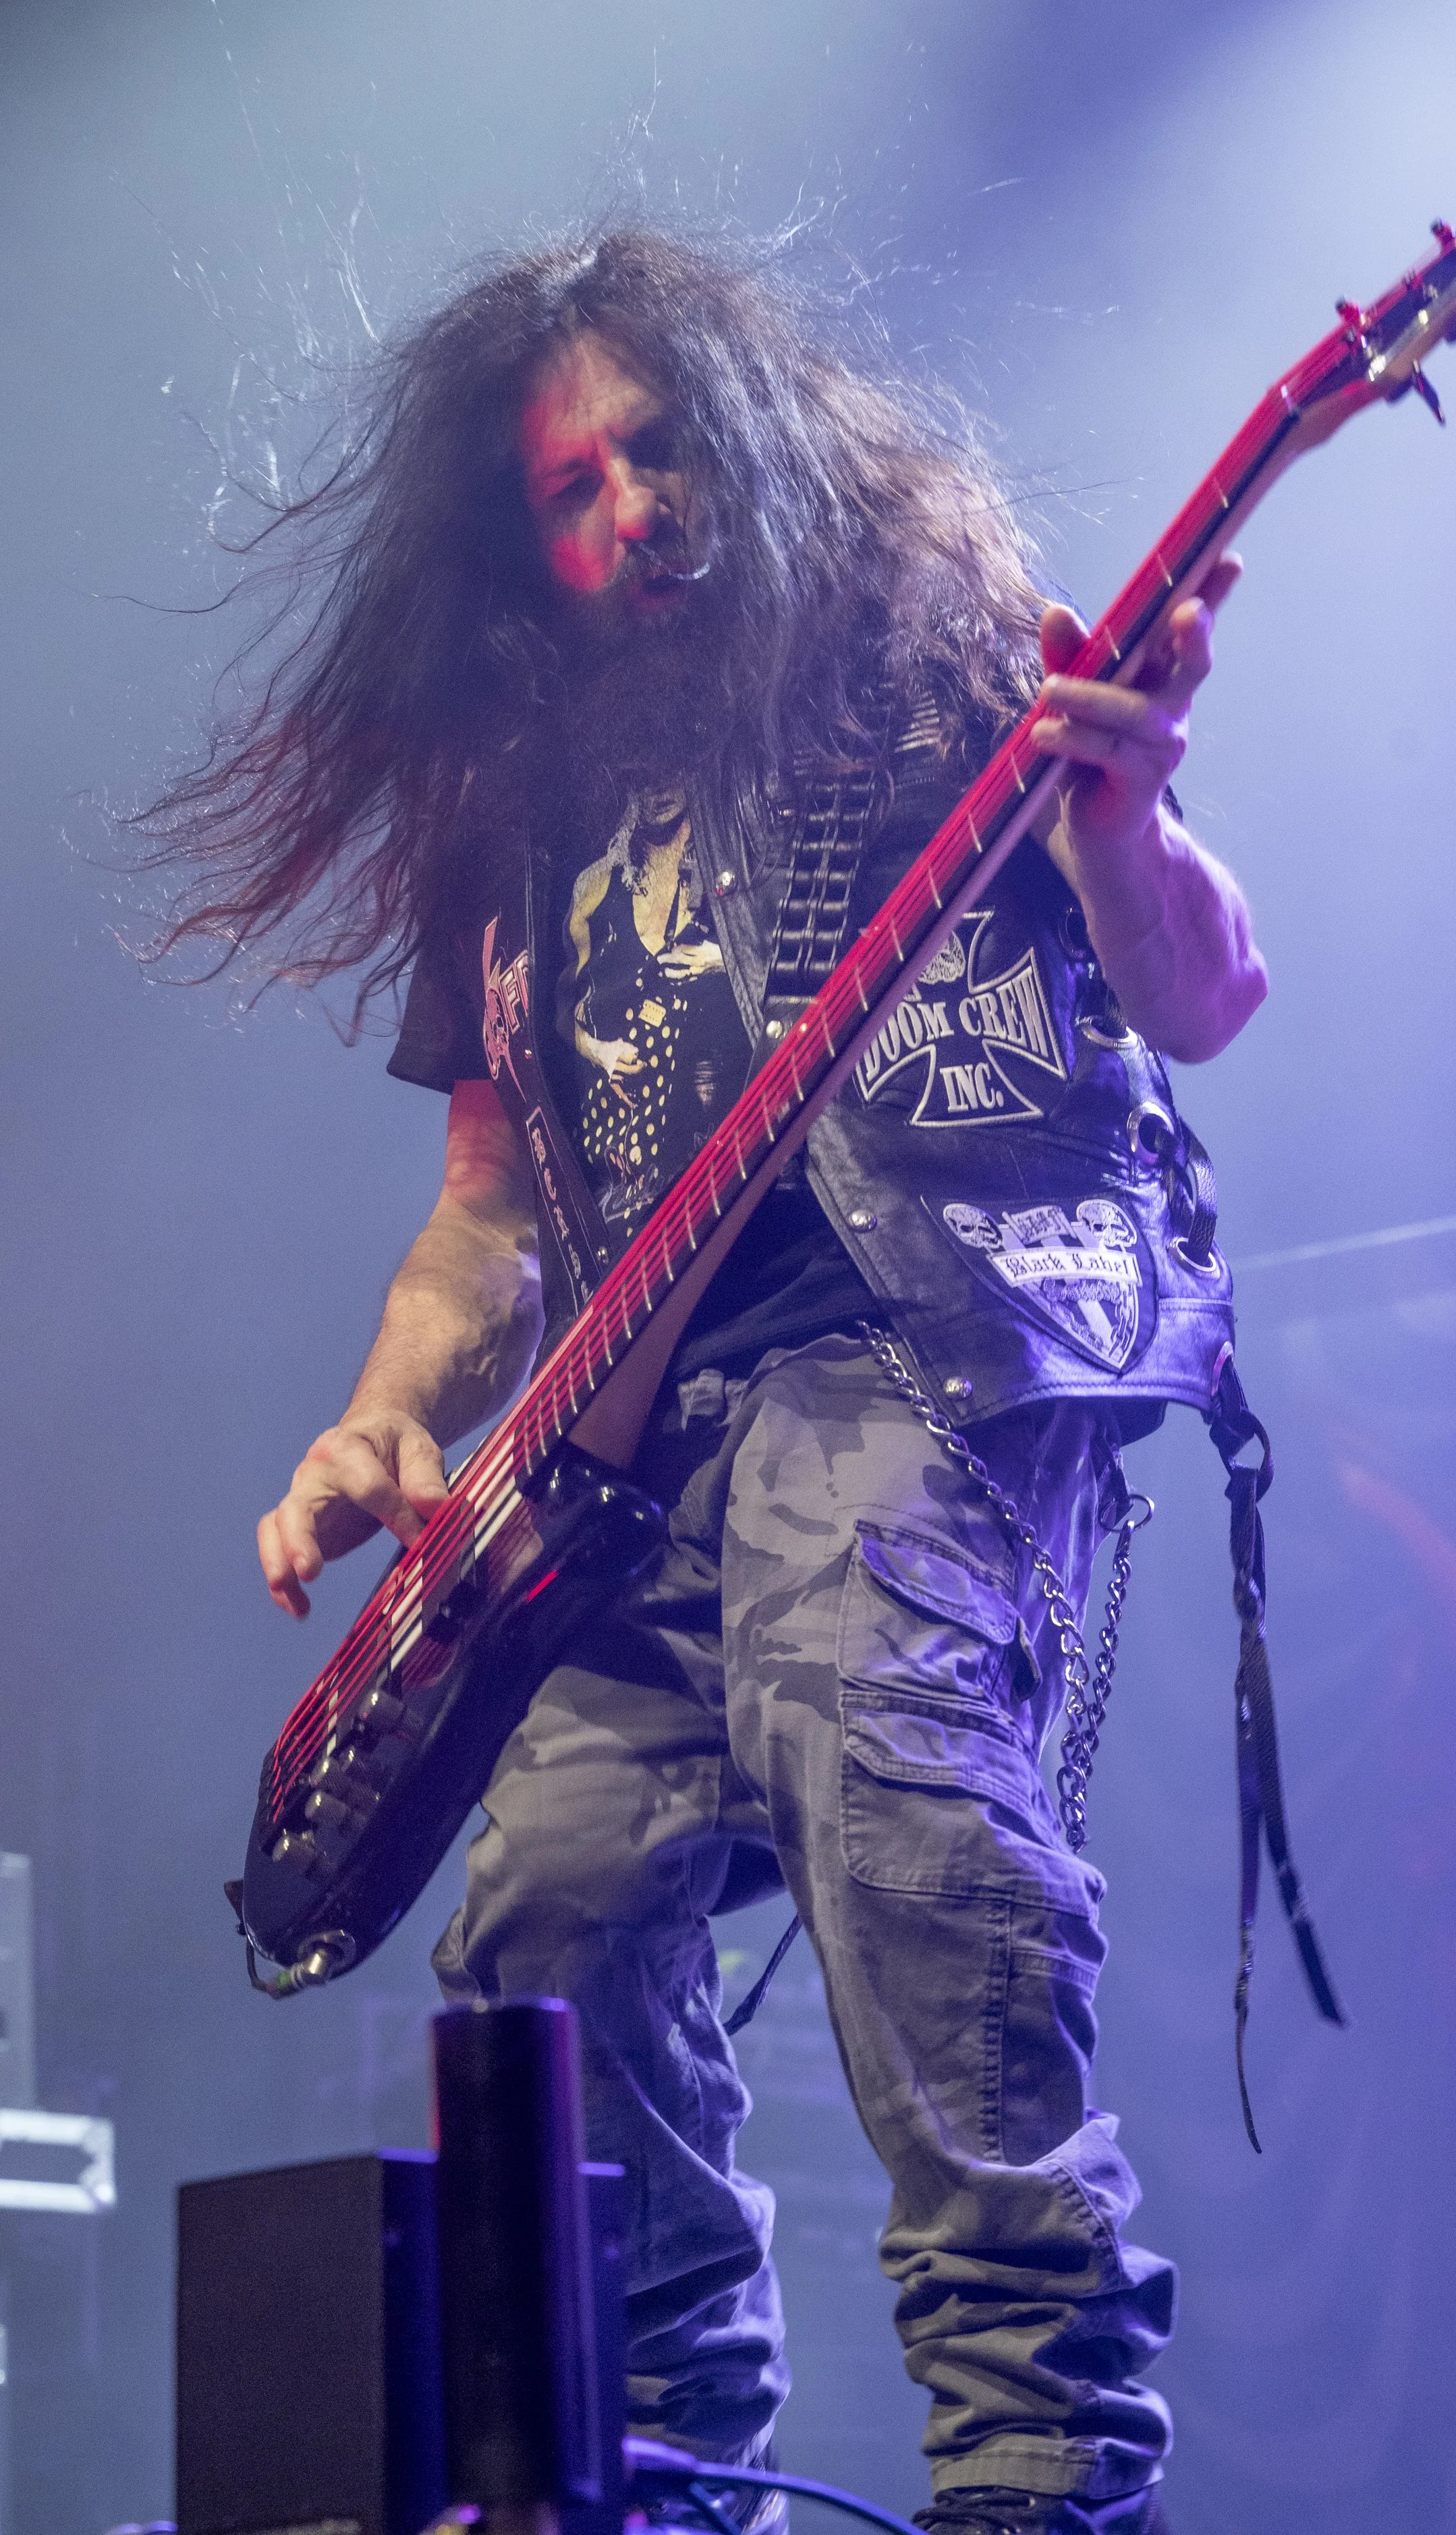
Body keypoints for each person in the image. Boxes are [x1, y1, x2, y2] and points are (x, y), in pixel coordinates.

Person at [144, 229, 1264, 2535]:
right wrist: (393, 1410)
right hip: (633, 1452)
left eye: (658, 452)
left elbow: (1205, 992)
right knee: (533, 1919)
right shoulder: (511, 809)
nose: (626, 513)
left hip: (917, 1354)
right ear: (508, 538)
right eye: (567, 489)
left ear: (742, 440)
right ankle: (651, 2484)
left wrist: (1126, 806)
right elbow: (486, 1207)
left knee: (889, 1783)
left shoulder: (935, 660)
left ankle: (1043, 2479)